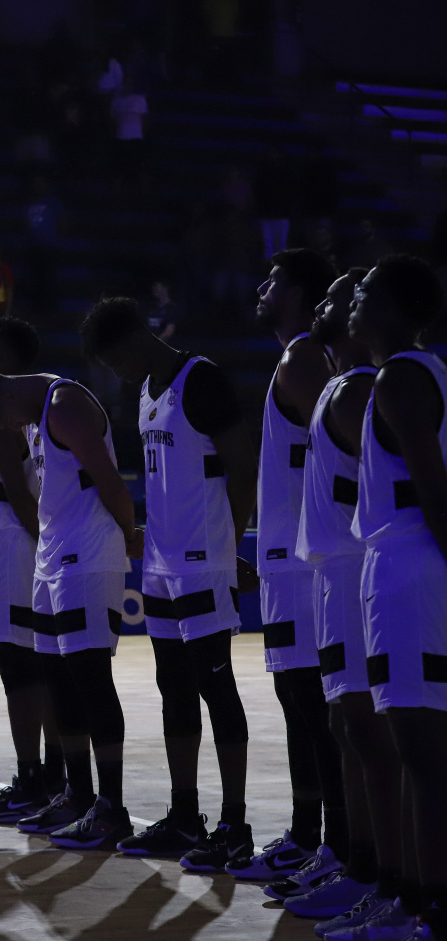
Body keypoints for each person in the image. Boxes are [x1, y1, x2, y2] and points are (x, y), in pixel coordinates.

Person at [80, 296, 258, 870]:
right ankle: (185, 815)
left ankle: (235, 824)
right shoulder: (146, 393)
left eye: (115, 361)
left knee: (217, 689)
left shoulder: (198, 379)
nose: (117, 373)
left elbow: (241, 463)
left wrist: (230, 550)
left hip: (204, 563)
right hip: (158, 565)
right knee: (173, 691)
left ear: (136, 338)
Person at [0, 369, 140, 850]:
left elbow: (109, 480)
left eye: (7, 417)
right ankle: (77, 795)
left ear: (10, 394)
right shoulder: (41, 414)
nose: (13, 427)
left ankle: (111, 809)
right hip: (52, 559)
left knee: (90, 682)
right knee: (59, 684)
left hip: (87, 559)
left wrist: (127, 535)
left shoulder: (66, 404)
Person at [288, 269, 403, 928]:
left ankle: (389, 876)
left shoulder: (362, 388)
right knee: (346, 728)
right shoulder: (338, 382)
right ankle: (361, 865)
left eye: (342, 295)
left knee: (371, 733)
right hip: (332, 572)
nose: (333, 303)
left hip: (362, 567)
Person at [349, 255, 447, 941]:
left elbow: (433, 488)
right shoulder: (431, 369)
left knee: (420, 751)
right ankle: (417, 899)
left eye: (361, 291)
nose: (351, 299)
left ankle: (424, 908)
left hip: (409, 568)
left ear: (387, 308)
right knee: (421, 749)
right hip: (414, 564)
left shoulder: (400, 377)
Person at [251, 249, 350, 898]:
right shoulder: (299, 356)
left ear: (304, 295)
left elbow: (348, 444)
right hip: (289, 558)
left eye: (274, 281)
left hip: (305, 564)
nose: (262, 289)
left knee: (315, 709)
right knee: (299, 703)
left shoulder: (306, 357)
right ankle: (308, 834)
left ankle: (336, 844)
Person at [0, 318, 66, 824]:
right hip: (27, 541)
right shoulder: (35, 411)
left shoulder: (0, 419)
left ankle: (31, 778)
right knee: (41, 665)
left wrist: (43, 541)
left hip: (11, 543)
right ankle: (52, 774)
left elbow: (18, 493)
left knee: (18, 669)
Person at [24, 176, 65, 320]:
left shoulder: (53, 203)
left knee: (49, 277)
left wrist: (56, 240)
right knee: (36, 278)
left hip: (49, 246)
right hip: (34, 246)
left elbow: (61, 222)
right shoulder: (30, 203)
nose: (38, 186)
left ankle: (51, 309)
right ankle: (37, 309)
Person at [254, 147, 298, 260]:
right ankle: (269, 270)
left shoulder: (287, 172)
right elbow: (258, 191)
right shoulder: (263, 172)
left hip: (282, 213)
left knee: (281, 245)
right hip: (267, 214)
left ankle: (281, 269)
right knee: (269, 245)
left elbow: (292, 192)